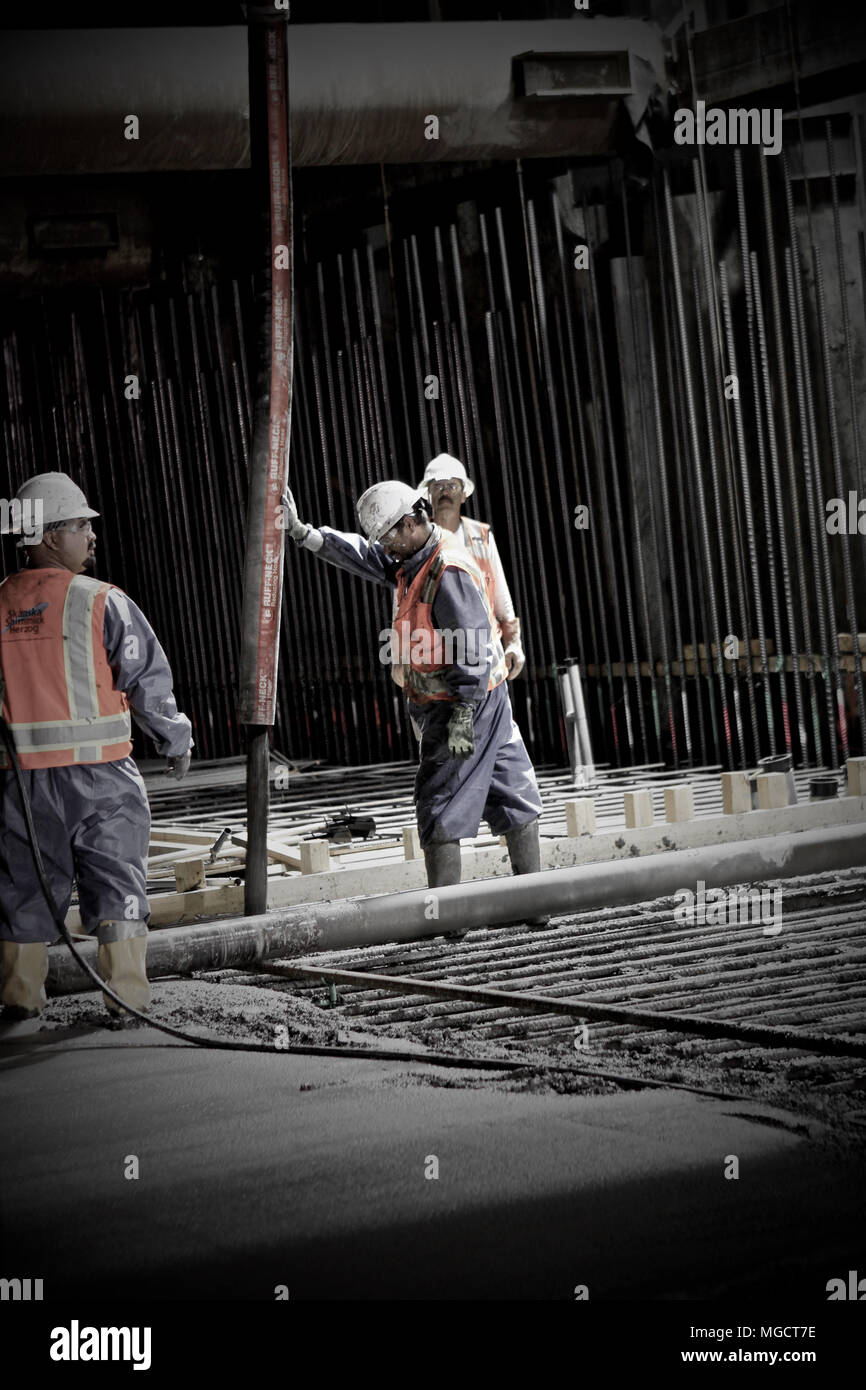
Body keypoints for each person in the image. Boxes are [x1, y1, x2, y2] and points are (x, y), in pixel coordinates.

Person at [281, 480, 550, 929]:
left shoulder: (447, 571)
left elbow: (474, 650)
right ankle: (536, 904)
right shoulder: (413, 558)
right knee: (512, 793)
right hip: (483, 700)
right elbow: (363, 558)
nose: (384, 548)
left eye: (388, 537)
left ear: (409, 524)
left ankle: (447, 917)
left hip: (464, 703)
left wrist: (462, 716)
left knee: (439, 800)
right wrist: (304, 533)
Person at [0, 472, 192, 1040]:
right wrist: (174, 738)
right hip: (100, 777)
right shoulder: (100, 601)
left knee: (21, 886)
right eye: (82, 525)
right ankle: (126, 998)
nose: (92, 536)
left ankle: (18, 1007)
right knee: (116, 878)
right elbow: (146, 680)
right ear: (50, 536)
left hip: (19, 785)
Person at [417, 453, 525, 680]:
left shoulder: (481, 537)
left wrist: (514, 643)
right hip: (438, 658)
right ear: (428, 494)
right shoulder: (418, 542)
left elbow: (500, 596)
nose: (445, 491)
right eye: (438, 486)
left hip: (486, 655)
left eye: (452, 486)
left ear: (464, 494)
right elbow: (403, 600)